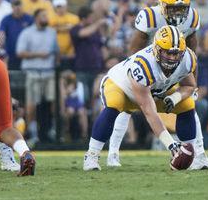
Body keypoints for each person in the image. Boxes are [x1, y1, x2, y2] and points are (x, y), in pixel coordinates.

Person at [108, 0, 208, 170]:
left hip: (173, 67)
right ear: (163, 6)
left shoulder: (192, 18)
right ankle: (113, 153)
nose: (178, 13)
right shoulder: (150, 16)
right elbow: (134, 51)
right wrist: (143, 77)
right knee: (126, 107)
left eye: (182, 8)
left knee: (189, 104)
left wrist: (190, 83)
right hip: (147, 66)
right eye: (173, 8)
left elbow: (192, 51)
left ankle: (200, 155)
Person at [84, 26, 199, 171]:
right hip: (120, 86)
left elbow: (189, 86)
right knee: (114, 104)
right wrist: (171, 145)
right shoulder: (144, 64)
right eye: (168, 53)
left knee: (187, 104)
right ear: (157, 48)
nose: (172, 58)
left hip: (153, 93)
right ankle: (92, 155)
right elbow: (149, 112)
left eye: (176, 54)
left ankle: (190, 157)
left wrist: (175, 98)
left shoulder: (187, 59)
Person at [16, 9, 60, 147]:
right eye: (43, 16)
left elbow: (56, 51)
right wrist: (38, 55)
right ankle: (33, 135)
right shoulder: (27, 32)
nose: (45, 18)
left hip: (49, 72)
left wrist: (56, 63)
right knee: (31, 106)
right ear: (36, 18)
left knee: (54, 104)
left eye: (46, 15)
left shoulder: (52, 32)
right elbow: (20, 52)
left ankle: (53, 131)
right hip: (32, 72)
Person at [0, 0, 34, 70]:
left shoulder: (29, 19)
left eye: (19, 6)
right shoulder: (6, 19)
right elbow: (1, 33)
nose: (17, 9)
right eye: (15, 6)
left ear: (22, 7)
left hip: (26, 54)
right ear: (12, 7)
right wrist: (1, 45)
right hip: (10, 54)